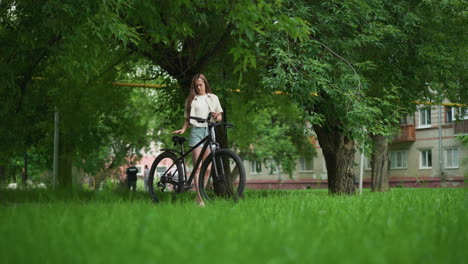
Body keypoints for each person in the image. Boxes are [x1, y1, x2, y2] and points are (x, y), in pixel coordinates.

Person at [173, 73, 223, 206]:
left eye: (201, 85)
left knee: (207, 168)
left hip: (210, 130)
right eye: (196, 86)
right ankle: (199, 198)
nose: (199, 88)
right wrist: (183, 129)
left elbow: (219, 118)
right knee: (198, 167)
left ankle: (199, 195)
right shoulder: (191, 99)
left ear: (205, 84)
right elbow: (187, 118)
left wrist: (216, 116)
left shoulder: (213, 98)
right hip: (196, 131)